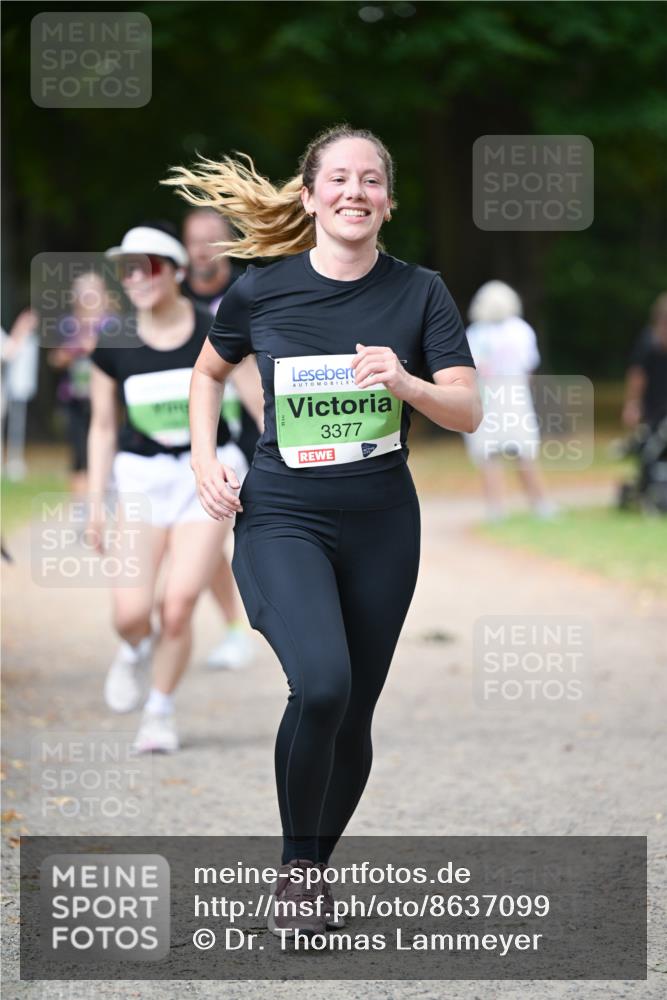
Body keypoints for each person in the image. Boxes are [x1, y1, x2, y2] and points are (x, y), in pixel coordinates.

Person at [164, 125, 482, 934]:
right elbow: (206, 374)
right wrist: (203, 460)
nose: (354, 191)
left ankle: (307, 873)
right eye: (337, 178)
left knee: (354, 711)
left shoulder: (421, 293)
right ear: (308, 197)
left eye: (370, 179)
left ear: (387, 201)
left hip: (382, 524)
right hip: (282, 516)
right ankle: (299, 868)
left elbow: (468, 410)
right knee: (323, 684)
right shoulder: (261, 290)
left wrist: (405, 382)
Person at [87, 223, 262, 753]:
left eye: (149, 266)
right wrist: (94, 504)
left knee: (178, 604)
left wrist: (288, 469)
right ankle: (134, 650)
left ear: (177, 271)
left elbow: (260, 405)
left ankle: (158, 712)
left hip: (207, 475)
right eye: (127, 269)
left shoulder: (217, 329)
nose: (136, 277)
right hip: (141, 479)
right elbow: (102, 427)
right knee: (130, 614)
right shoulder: (113, 340)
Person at [181, 208, 258, 670]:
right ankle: (233, 627)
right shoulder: (174, 295)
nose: (202, 250)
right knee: (206, 534)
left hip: (248, 426)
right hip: (195, 430)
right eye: (194, 240)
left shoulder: (250, 290)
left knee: (252, 532)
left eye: (211, 239)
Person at [463, 280, 556, 521]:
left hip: (486, 398)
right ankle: (540, 505)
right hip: (516, 397)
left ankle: (496, 509)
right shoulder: (521, 330)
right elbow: (529, 368)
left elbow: (471, 370)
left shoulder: (476, 333)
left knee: (489, 455)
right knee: (524, 452)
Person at [48, 271, 112, 498]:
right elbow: (54, 358)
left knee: (105, 449)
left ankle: (105, 500)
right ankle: (82, 507)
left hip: (106, 399)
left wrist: (93, 347)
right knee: (78, 456)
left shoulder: (111, 324)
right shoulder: (68, 324)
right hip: (74, 398)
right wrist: (70, 352)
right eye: (82, 293)